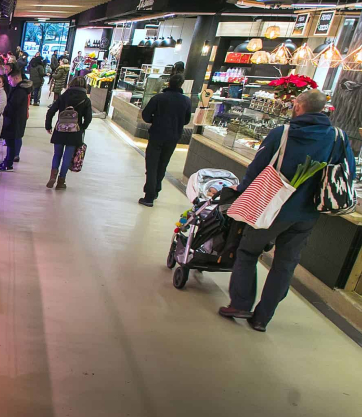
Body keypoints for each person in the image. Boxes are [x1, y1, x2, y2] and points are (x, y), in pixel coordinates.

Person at [220, 90, 355, 331]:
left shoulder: (282, 133)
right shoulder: (338, 137)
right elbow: (348, 172)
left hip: (271, 206)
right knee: (285, 264)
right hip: (307, 213)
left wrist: (241, 191)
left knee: (248, 251)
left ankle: (240, 303)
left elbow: (257, 167)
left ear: (298, 106)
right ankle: (262, 318)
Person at [139, 74, 192, 206]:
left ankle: (149, 196)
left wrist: (155, 120)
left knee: (152, 165)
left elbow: (145, 115)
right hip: (173, 137)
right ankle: (156, 190)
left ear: (168, 83)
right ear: (181, 85)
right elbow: (186, 120)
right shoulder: (186, 101)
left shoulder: (159, 98)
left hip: (157, 134)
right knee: (163, 164)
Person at [44, 75, 93, 189]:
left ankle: (52, 176)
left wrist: (48, 125)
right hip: (75, 132)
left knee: (57, 154)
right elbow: (89, 118)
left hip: (60, 129)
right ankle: (61, 181)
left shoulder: (63, 96)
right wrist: (82, 127)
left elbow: (51, 111)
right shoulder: (85, 99)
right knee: (67, 156)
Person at [0, 68, 32, 172]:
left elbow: (13, 106)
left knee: (11, 143)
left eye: (10, 80)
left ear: (16, 78)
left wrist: (4, 110)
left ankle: (9, 163)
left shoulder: (20, 91)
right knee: (10, 142)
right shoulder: (19, 89)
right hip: (14, 120)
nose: (9, 82)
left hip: (14, 121)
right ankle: (7, 161)